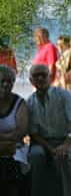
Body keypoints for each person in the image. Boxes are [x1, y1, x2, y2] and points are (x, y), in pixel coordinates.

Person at [27, 64, 71, 196]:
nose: (40, 78)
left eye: (43, 75)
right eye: (36, 76)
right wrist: (49, 148)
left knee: (62, 156)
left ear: (50, 77)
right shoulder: (30, 102)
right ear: (31, 80)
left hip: (67, 140)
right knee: (35, 156)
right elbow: (33, 133)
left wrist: (66, 144)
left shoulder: (63, 95)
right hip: (42, 143)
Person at [0, 65, 29, 196]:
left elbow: (21, 130)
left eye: (10, 81)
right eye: (2, 81)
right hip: (7, 145)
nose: (6, 84)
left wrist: (5, 139)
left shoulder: (19, 102)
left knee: (12, 164)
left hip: (15, 147)